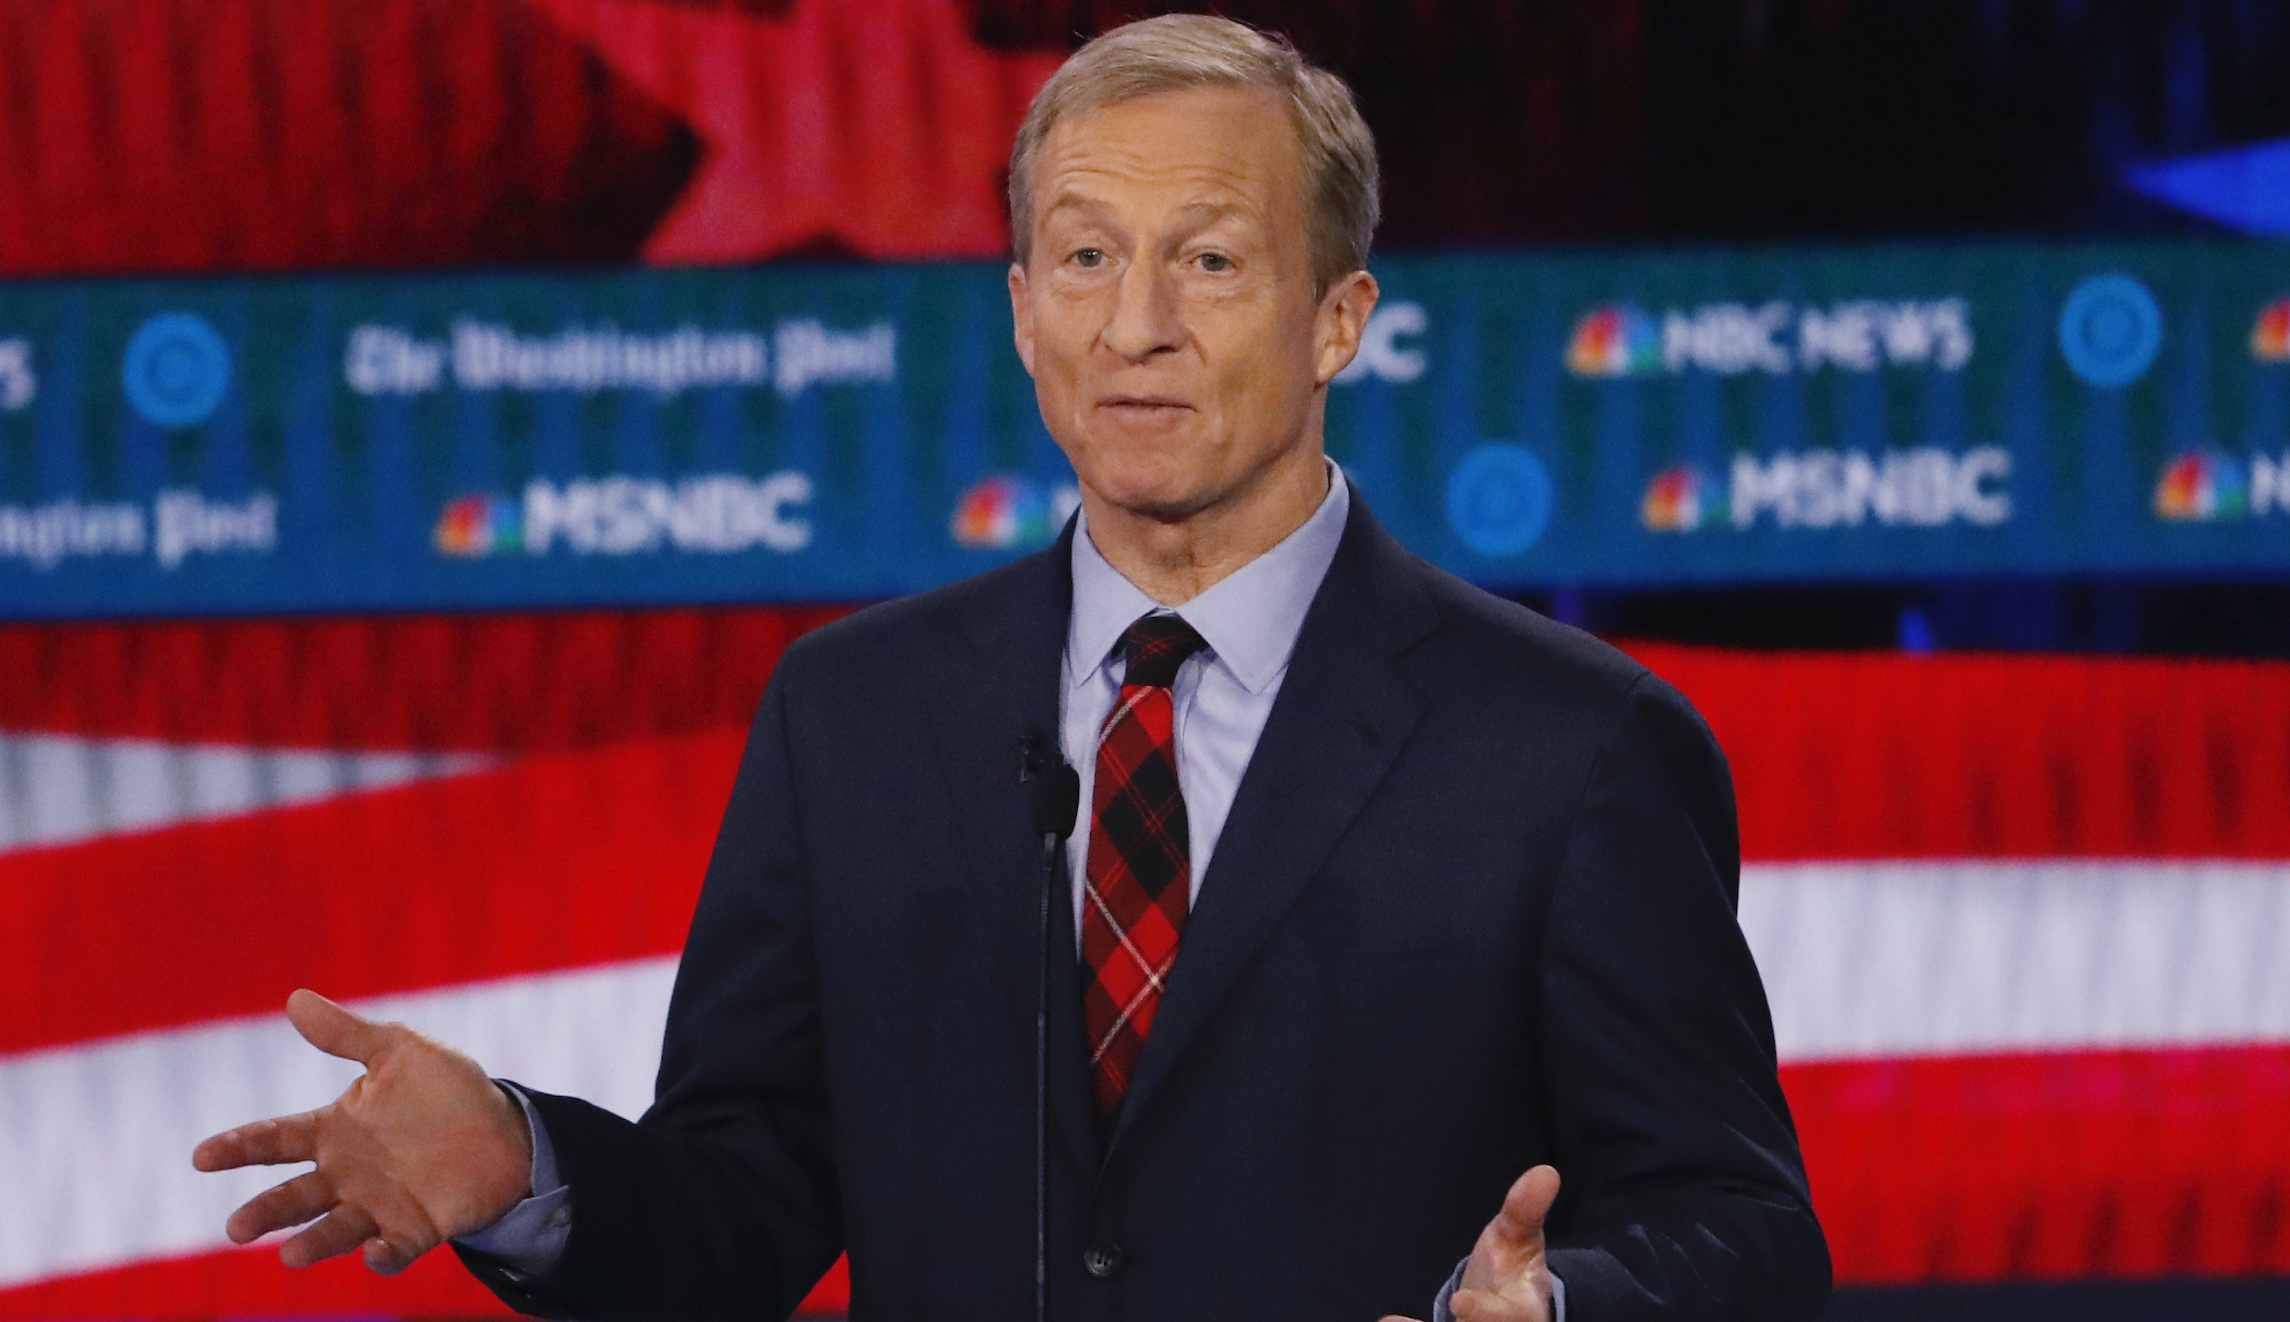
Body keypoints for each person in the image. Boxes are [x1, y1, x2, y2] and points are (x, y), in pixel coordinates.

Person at [194, 16, 1829, 1321]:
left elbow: (1741, 1225)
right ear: (1023, 312)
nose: (1135, 325)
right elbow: (742, 1208)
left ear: (1338, 318)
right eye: (1084, 258)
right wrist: (525, 1162)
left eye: (1209, 259)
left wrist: (1562, 1306)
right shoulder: (854, 714)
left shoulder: (1571, 743)